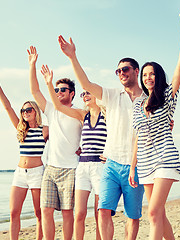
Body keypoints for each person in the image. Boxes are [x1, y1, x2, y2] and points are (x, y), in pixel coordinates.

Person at [58, 36, 145, 240]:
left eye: (125, 69)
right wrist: (73, 57)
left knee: (132, 216)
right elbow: (86, 83)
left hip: (138, 165)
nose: (121, 73)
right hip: (111, 164)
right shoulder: (112, 95)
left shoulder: (148, 100)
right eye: (118, 71)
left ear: (136, 71)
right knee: (103, 211)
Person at [128, 7, 180, 240]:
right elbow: (136, 136)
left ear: (159, 76)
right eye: (145, 74)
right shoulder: (137, 103)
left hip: (165, 157)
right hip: (145, 162)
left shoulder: (167, 96)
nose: (148, 77)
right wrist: (133, 166)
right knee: (160, 214)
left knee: (153, 213)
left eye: (152, 73)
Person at [40, 64, 107, 240]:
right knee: (80, 213)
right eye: (83, 93)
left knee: (101, 211)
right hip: (83, 165)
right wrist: (48, 84)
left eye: (88, 92)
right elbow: (59, 107)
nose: (85, 95)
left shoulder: (108, 114)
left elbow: (121, 129)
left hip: (99, 166)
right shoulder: (81, 114)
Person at [27, 46, 82, 240]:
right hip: (50, 168)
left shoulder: (79, 113)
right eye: (56, 89)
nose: (58, 92)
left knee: (67, 213)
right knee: (46, 211)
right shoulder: (51, 109)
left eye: (63, 89)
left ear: (72, 93)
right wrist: (32, 65)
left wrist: (84, 148)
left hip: (71, 169)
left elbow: (95, 130)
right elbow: (35, 91)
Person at [0, 72, 48, 240]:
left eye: (28, 109)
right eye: (23, 110)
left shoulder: (44, 129)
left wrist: (78, 149)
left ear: (35, 111)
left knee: (39, 213)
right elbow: (7, 107)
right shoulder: (20, 128)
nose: (25, 112)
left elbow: (63, 137)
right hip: (19, 174)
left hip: (37, 173)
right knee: (14, 212)